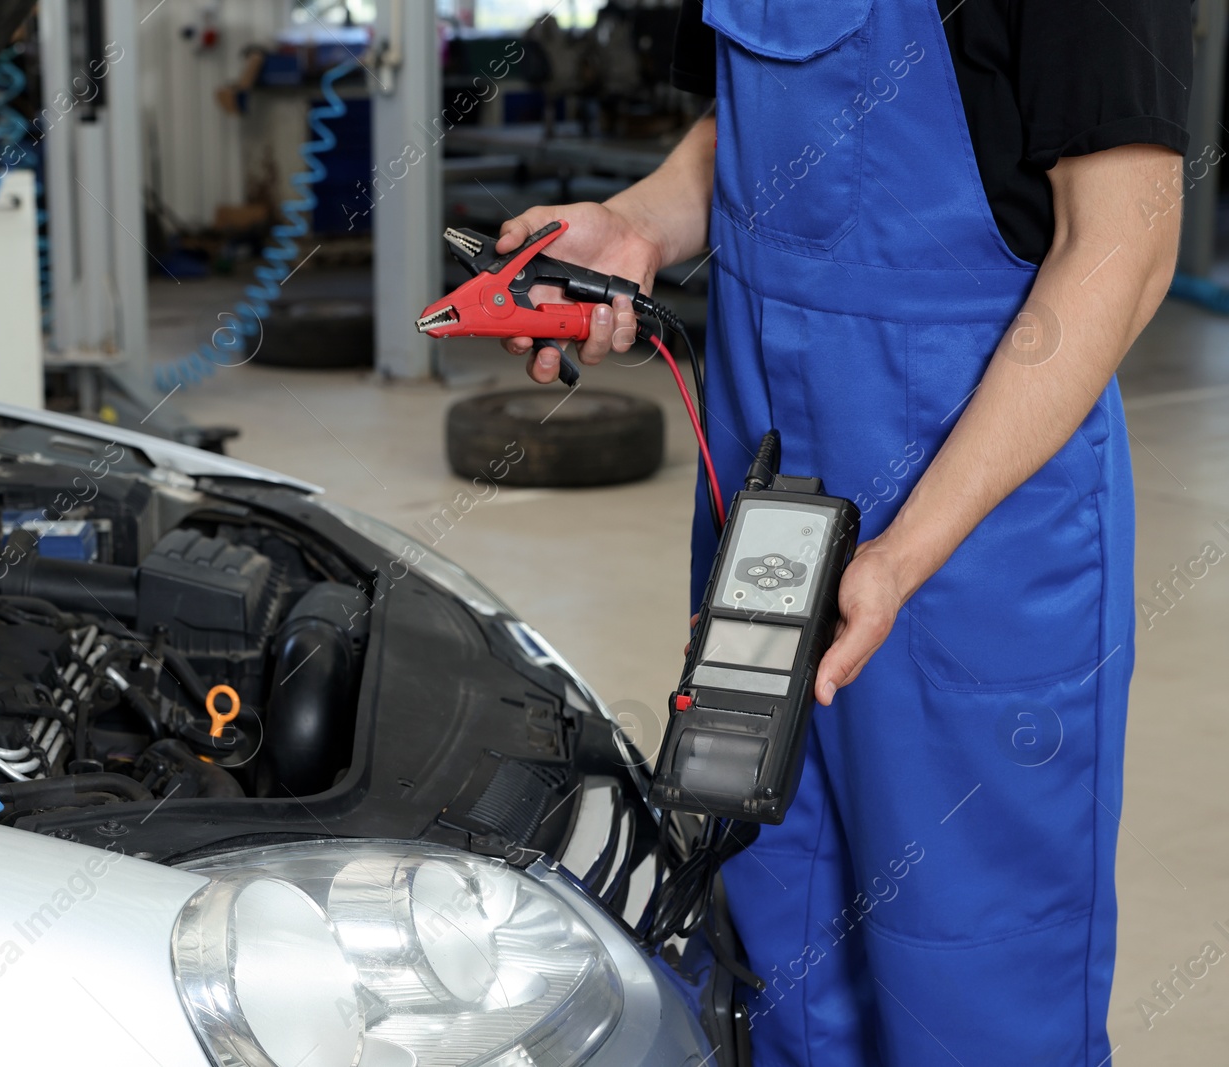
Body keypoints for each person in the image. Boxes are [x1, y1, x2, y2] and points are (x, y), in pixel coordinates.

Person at [495, 1, 1191, 1062]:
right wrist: (637, 223)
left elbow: (1124, 247)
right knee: (777, 955)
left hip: (973, 547)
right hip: (768, 502)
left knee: (971, 975)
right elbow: (748, 123)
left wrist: (902, 555)